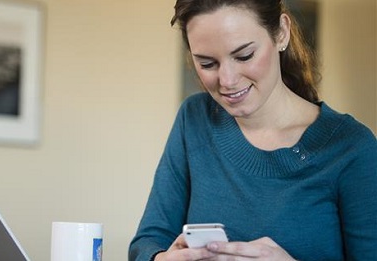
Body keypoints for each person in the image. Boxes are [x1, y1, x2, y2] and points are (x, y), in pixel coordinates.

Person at [129, 0, 377, 260]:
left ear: (281, 32)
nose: (227, 80)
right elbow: (147, 241)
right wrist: (161, 258)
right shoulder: (194, 120)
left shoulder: (352, 149)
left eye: (244, 56)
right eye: (207, 63)